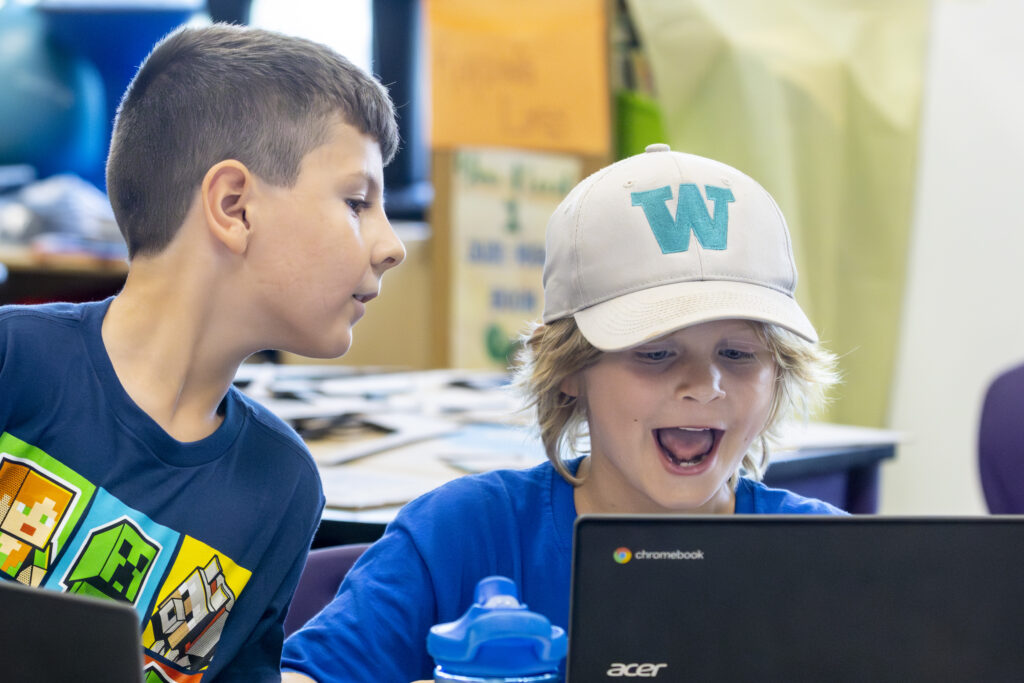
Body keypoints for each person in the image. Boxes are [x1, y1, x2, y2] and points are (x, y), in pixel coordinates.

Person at [280, 144, 842, 682]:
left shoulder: (827, 559)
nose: (704, 385)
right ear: (570, 369)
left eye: (738, 354)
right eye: (655, 353)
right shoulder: (462, 536)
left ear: (780, 374)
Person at [0, 23, 404, 681]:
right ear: (234, 205)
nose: (392, 246)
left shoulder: (281, 487)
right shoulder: (15, 361)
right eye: (357, 201)